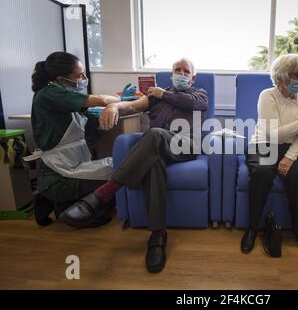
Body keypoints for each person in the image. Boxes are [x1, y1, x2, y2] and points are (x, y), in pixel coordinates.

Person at [60, 58, 208, 273]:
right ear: (171, 73)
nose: (181, 74)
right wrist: (113, 105)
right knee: (153, 162)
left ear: (192, 77)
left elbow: (192, 104)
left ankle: (103, 194)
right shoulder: (155, 97)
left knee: (154, 134)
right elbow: (131, 105)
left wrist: (163, 94)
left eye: (186, 72)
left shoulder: (199, 94)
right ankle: (157, 236)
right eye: (177, 70)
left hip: (184, 146)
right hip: (157, 148)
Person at [30, 52, 121, 228]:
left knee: (115, 170)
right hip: (58, 172)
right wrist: (118, 101)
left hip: (70, 164)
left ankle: (57, 199)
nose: (84, 78)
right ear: (61, 78)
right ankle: (54, 199)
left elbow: (85, 120)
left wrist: (100, 117)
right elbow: (101, 99)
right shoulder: (50, 93)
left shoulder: (64, 93)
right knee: (114, 180)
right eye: (80, 75)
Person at [240, 54, 298, 256]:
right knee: (262, 174)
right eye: (296, 75)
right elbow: (271, 134)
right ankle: (252, 229)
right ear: (282, 76)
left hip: (291, 148)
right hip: (264, 145)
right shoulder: (268, 95)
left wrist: (290, 157)